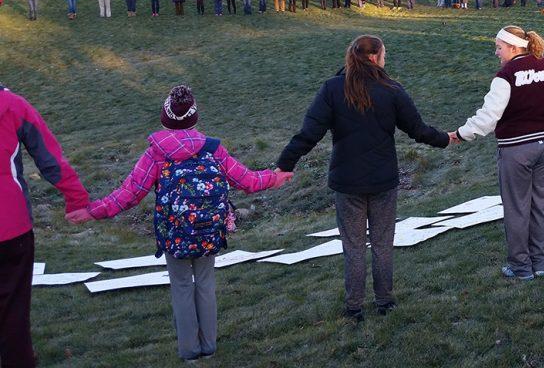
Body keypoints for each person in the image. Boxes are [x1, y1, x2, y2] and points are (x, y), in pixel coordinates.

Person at [68, 85, 292, 361]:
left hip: (174, 233)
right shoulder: (213, 149)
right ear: (195, 119)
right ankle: (209, 347)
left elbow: (129, 194)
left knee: (182, 285)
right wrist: (275, 177)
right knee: (206, 283)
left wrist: (93, 211)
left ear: (164, 118)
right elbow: (246, 180)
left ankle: (189, 351)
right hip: (209, 230)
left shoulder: (155, 154)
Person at [276, 35, 450, 321]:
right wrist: (446, 139)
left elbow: (309, 133)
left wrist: (285, 164)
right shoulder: (391, 90)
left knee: (353, 247)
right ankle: (384, 302)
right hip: (382, 180)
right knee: (382, 244)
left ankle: (354, 306)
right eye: (384, 53)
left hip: (347, 181)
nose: (385, 58)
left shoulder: (332, 89)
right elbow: (418, 129)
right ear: (373, 57)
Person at [450, 26, 544, 279]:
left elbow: (488, 118)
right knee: (540, 204)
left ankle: (520, 267)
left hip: (515, 150)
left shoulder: (505, 75)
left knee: (517, 208)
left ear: (513, 47)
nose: (496, 52)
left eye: (499, 47)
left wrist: (462, 134)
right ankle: (538, 263)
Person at [0, 83, 90, 366]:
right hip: (10, 224)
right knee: (13, 305)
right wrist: (76, 198)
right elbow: (49, 158)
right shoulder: (14, 105)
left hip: (11, 224)